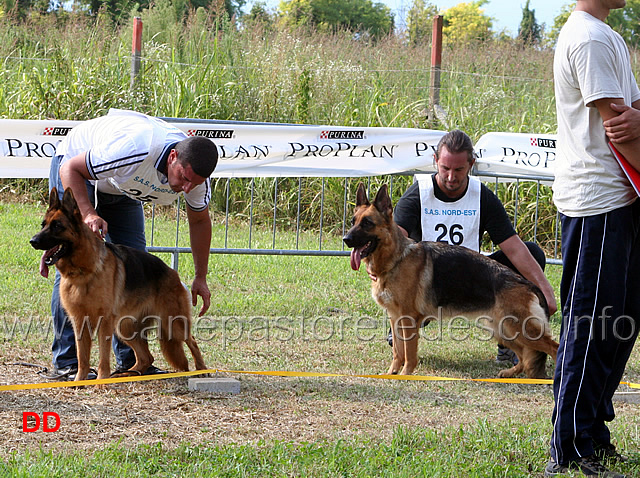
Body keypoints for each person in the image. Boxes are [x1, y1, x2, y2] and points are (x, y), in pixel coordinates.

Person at [44, 109, 219, 381]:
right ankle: (69, 364)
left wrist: (200, 276)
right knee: (75, 261)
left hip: (122, 185)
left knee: (134, 266)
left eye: (193, 183)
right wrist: (88, 213)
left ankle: (133, 362)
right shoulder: (136, 149)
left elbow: (199, 223)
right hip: (78, 168)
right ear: (172, 157)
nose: (186, 188)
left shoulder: (194, 177)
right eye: (184, 178)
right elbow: (71, 168)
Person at [546, 1, 640, 476]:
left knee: (622, 319)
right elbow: (621, 128)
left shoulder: (607, 35)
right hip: (598, 201)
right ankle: (571, 444)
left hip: (619, 201)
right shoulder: (590, 38)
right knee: (592, 326)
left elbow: (634, 112)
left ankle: (594, 432)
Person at [388, 130, 558, 366]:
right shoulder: (417, 193)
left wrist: (545, 291)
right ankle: (403, 324)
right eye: (445, 168)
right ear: (435, 160)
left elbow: (515, 249)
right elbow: (394, 241)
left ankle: (508, 342)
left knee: (533, 252)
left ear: (471, 164)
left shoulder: (483, 196)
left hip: (469, 278)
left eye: (458, 170)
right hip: (426, 283)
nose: (450, 177)